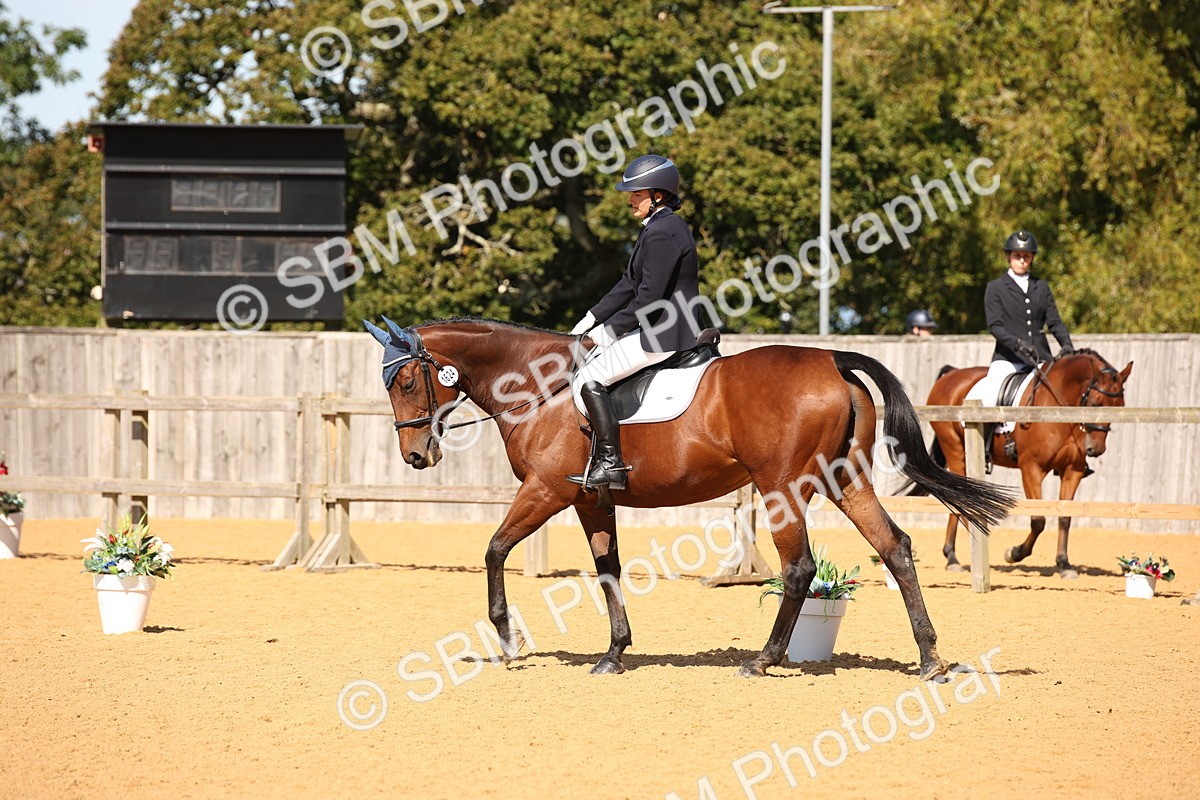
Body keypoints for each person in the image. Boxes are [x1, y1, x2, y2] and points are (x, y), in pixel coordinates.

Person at [566, 154, 702, 491]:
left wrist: (608, 333)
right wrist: (591, 317)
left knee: (590, 377)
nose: (630, 200)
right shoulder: (658, 228)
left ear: (657, 194)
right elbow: (629, 283)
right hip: (657, 328)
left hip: (666, 334)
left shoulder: (662, 233)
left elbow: (650, 297)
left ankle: (611, 464)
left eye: (636, 194)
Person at [967, 230, 1074, 459]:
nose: (1022, 260)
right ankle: (985, 448)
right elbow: (995, 326)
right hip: (1008, 359)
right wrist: (1017, 344)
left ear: (1032, 257)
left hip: (1040, 358)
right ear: (1009, 256)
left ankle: (1073, 451)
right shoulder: (995, 287)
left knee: (1064, 394)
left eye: (1026, 256)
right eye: (1017, 255)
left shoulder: (1041, 287)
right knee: (990, 395)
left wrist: (1067, 346)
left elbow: (1054, 322)